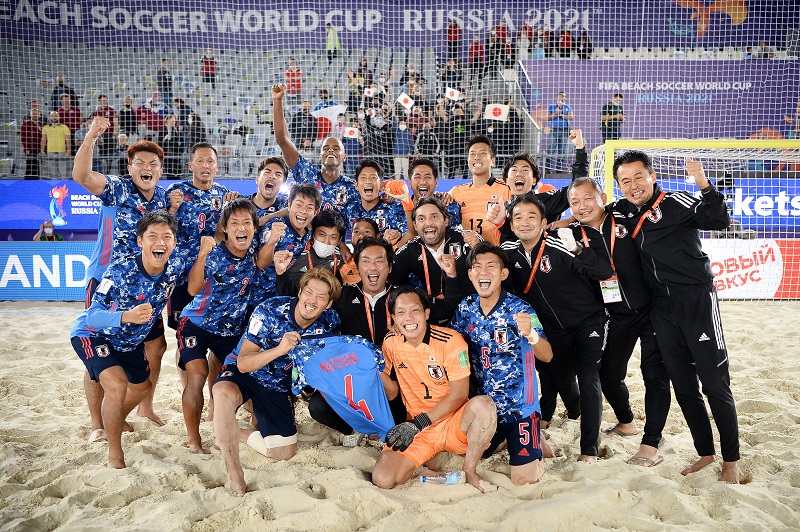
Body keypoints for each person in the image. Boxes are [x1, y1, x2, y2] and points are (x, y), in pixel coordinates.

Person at [611, 152, 740, 483]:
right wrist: (563, 222)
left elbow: (718, 220)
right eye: (625, 181)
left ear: (652, 176)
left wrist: (704, 185)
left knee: (714, 383)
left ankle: (731, 460)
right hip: (661, 308)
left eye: (638, 177)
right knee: (683, 386)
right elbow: (594, 212)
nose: (633, 185)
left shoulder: (675, 202)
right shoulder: (624, 210)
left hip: (696, 300)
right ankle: (706, 453)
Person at [567, 177, 672, 467]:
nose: (581, 206)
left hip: (652, 310)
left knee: (654, 375)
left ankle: (651, 443)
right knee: (609, 375)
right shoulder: (572, 236)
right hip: (616, 315)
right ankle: (627, 422)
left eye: (587, 198)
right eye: (574, 202)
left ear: (602, 198)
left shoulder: (624, 213)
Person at [500, 194, 613, 461]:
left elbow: (603, 272)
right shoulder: (508, 252)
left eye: (531, 217)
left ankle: (589, 449)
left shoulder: (560, 244)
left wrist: (578, 249)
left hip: (589, 321)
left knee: (588, 377)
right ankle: (574, 411)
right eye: (518, 218)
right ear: (512, 225)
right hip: (554, 330)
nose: (524, 222)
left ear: (544, 222)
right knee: (560, 379)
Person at [70, 210, 186, 468]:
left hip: (127, 342)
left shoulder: (176, 265)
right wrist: (126, 316)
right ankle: (115, 456)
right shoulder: (120, 270)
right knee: (116, 384)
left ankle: (114, 419)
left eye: (166, 236)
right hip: (93, 334)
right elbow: (93, 316)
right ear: (140, 241)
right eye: (152, 236)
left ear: (174, 242)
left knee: (142, 387)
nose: (160, 242)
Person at [75, 117, 170, 428]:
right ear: (130, 168)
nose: (146, 167)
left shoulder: (163, 198)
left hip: (146, 286)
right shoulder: (118, 188)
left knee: (156, 345)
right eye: (139, 162)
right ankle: (96, 424)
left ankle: (144, 408)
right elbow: (81, 175)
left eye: (152, 163)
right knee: (100, 351)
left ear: (160, 170)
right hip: (107, 280)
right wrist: (91, 136)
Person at [212, 268, 342, 494]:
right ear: (300, 292)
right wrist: (279, 349)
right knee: (223, 394)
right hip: (247, 371)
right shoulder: (270, 310)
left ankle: (231, 431)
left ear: (329, 304)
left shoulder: (331, 321)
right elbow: (243, 363)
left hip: (278, 385)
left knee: (283, 451)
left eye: (321, 297)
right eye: (309, 292)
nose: (312, 300)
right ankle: (236, 474)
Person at [372, 286, 497, 491]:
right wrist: (371, 366)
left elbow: (459, 395)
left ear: (427, 313)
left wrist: (418, 424)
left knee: (484, 406)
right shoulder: (391, 342)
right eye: (401, 312)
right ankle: (427, 466)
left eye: (415, 310)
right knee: (383, 478)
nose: (408, 318)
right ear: (393, 318)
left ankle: (469, 470)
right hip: (420, 430)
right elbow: (390, 390)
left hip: (453, 423)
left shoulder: (450, 341)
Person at [450, 242, 555, 485]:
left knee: (523, 480)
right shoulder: (466, 307)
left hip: (520, 409)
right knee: (469, 452)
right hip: (486, 411)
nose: (483, 272)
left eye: (491, 266)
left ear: (503, 274)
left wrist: (531, 334)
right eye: (477, 267)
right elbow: (451, 344)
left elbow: (547, 355)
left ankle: (534, 437)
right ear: (470, 274)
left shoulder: (521, 309)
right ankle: (509, 441)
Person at [177, 198, 258, 454]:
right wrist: (202, 254)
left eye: (247, 223)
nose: (241, 228)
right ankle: (194, 440)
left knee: (245, 376)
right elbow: (192, 290)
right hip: (196, 324)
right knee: (197, 375)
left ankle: (247, 424)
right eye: (234, 223)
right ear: (224, 228)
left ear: (254, 227)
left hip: (229, 331)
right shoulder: (214, 255)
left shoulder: (255, 252)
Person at [389, 197, 475, 324]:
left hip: (471, 318)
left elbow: (495, 265)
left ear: (446, 221)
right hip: (434, 319)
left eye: (434, 217)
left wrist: (478, 247)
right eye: (421, 219)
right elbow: (389, 280)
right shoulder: (410, 250)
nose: (428, 223)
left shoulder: (466, 240)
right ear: (415, 225)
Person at [273, 84, 357, 212]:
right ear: (320, 156)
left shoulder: (353, 188)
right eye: (326, 148)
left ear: (344, 157)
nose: (330, 150)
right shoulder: (307, 174)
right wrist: (277, 101)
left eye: (336, 148)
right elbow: (283, 140)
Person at [250, 183, 321, 304]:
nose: (303, 211)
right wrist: (272, 241)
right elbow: (261, 264)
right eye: (298, 205)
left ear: (316, 212)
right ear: (289, 205)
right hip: (258, 297)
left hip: (283, 296)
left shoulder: (310, 229)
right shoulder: (275, 226)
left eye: (309, 208)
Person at [448, 135, 511, 245]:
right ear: (468, 160)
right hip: (466, 253)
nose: (477, 157)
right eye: (472, 154)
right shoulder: (456, 192)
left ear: (493, 161)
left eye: (483, 153)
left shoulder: (506, 190)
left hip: (496, 253)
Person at [275, 209, 346, 296]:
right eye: (322, 235)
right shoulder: (295, 254)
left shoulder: (342, 259)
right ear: (313, 234)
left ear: (339, 240)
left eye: (333, 237)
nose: (326, 242)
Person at [343, 159, 411, 248]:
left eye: (373, 177)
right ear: (356, 186)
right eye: (363, 177)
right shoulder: (350, 209)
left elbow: (410, 235)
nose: (368, 181)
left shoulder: (395, 208)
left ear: (381, 186)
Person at [408, 158, 460, 226]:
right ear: (410, 183)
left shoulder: (449, 207)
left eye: (427, 177)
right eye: (417, 177)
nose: (423, 182)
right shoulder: (398, 209)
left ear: (436, 182)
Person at [338, 218, 379, 285]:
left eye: (367, 231)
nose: (361, 235)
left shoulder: (386, 260)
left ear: (377, 236)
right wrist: (341, 244)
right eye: (356, 232)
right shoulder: (342, 262)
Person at [89, 95, 119, 174]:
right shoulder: (97, 112)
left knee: (109, 155)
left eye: (106, 100)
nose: (105, 102)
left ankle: (108, 172)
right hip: (100, 136)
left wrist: (114, 134)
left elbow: (116, 123)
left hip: (109, 135)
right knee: (101, 155)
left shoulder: (112, 110)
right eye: (103, 101)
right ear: (99, 101)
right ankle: (101, 173)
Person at [546, 92, 574, 169]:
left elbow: (571, 117)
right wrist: (556, 113)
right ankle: (547, 169)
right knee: (551, 150)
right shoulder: (551, 107)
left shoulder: (568, 107)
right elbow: (548, 118)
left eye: (564, 96)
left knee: (562, 151)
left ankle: (559, 169)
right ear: (557, 97)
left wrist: (561, 115)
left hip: (564, 131)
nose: (563, 98)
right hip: (554, 130)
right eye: (561, 96)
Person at [41, 111, 71, 179]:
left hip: (62, 151)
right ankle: (55, 184)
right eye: (52, 116)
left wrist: (68, 150)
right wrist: (42, 150)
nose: (54, 117)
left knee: (63, 172)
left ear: (59, 117)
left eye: (56, 116)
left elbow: (68, 140)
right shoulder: (45, 128)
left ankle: (64, 184)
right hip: (50, 151)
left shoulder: (64, 127)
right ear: (49, 117)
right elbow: (43, 139)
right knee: (53, 172)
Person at [21, 108, 43, 179]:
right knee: (30, 168)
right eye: (33, 114)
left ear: (39, 115)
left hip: (37, 150)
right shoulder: (26, 123)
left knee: (36, 168)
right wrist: (27, 148)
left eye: (36, 114)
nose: (35, 115)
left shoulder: (39, 126)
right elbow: (23, 137)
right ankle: (28, 183)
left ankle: (36, 182)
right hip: (30, 150)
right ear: (30, 115)